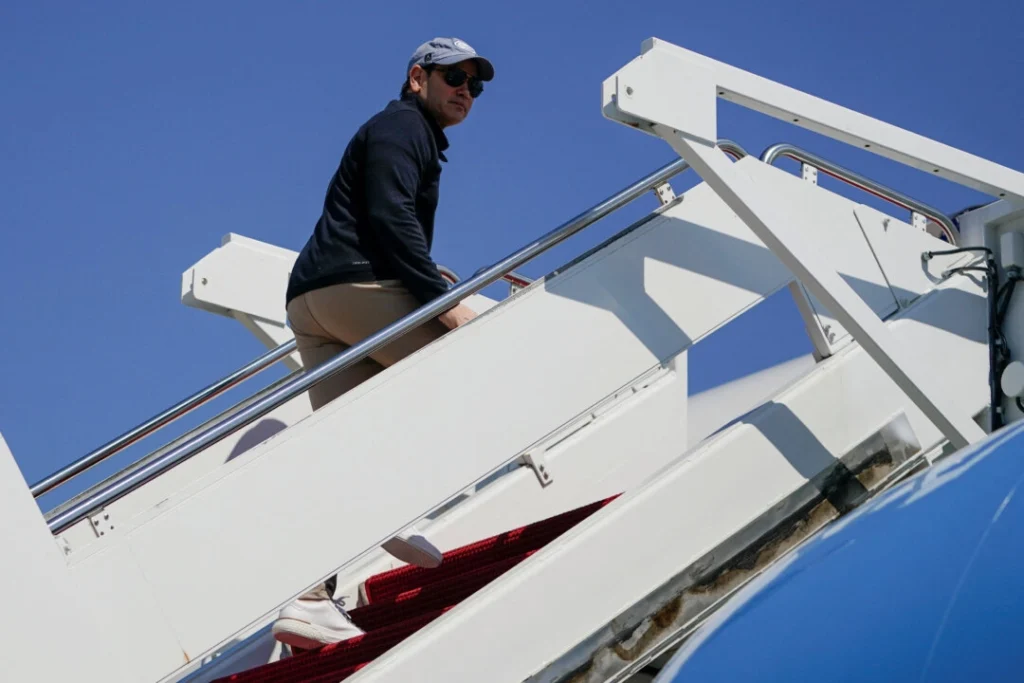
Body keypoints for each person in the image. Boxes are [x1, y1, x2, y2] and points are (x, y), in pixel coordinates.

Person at [271, 37, 495, 650]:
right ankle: (395, 507)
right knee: (477, 364)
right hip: (351, 287)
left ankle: (310, 599)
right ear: (417, 77)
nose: (465, 92)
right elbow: (391, 217)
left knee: (351, 442)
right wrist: (447, 306)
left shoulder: (399, 130)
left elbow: (380, 218)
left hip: (312, 302)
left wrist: (424, 270)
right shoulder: (405, 126)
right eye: (454, 77)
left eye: (475, 85)